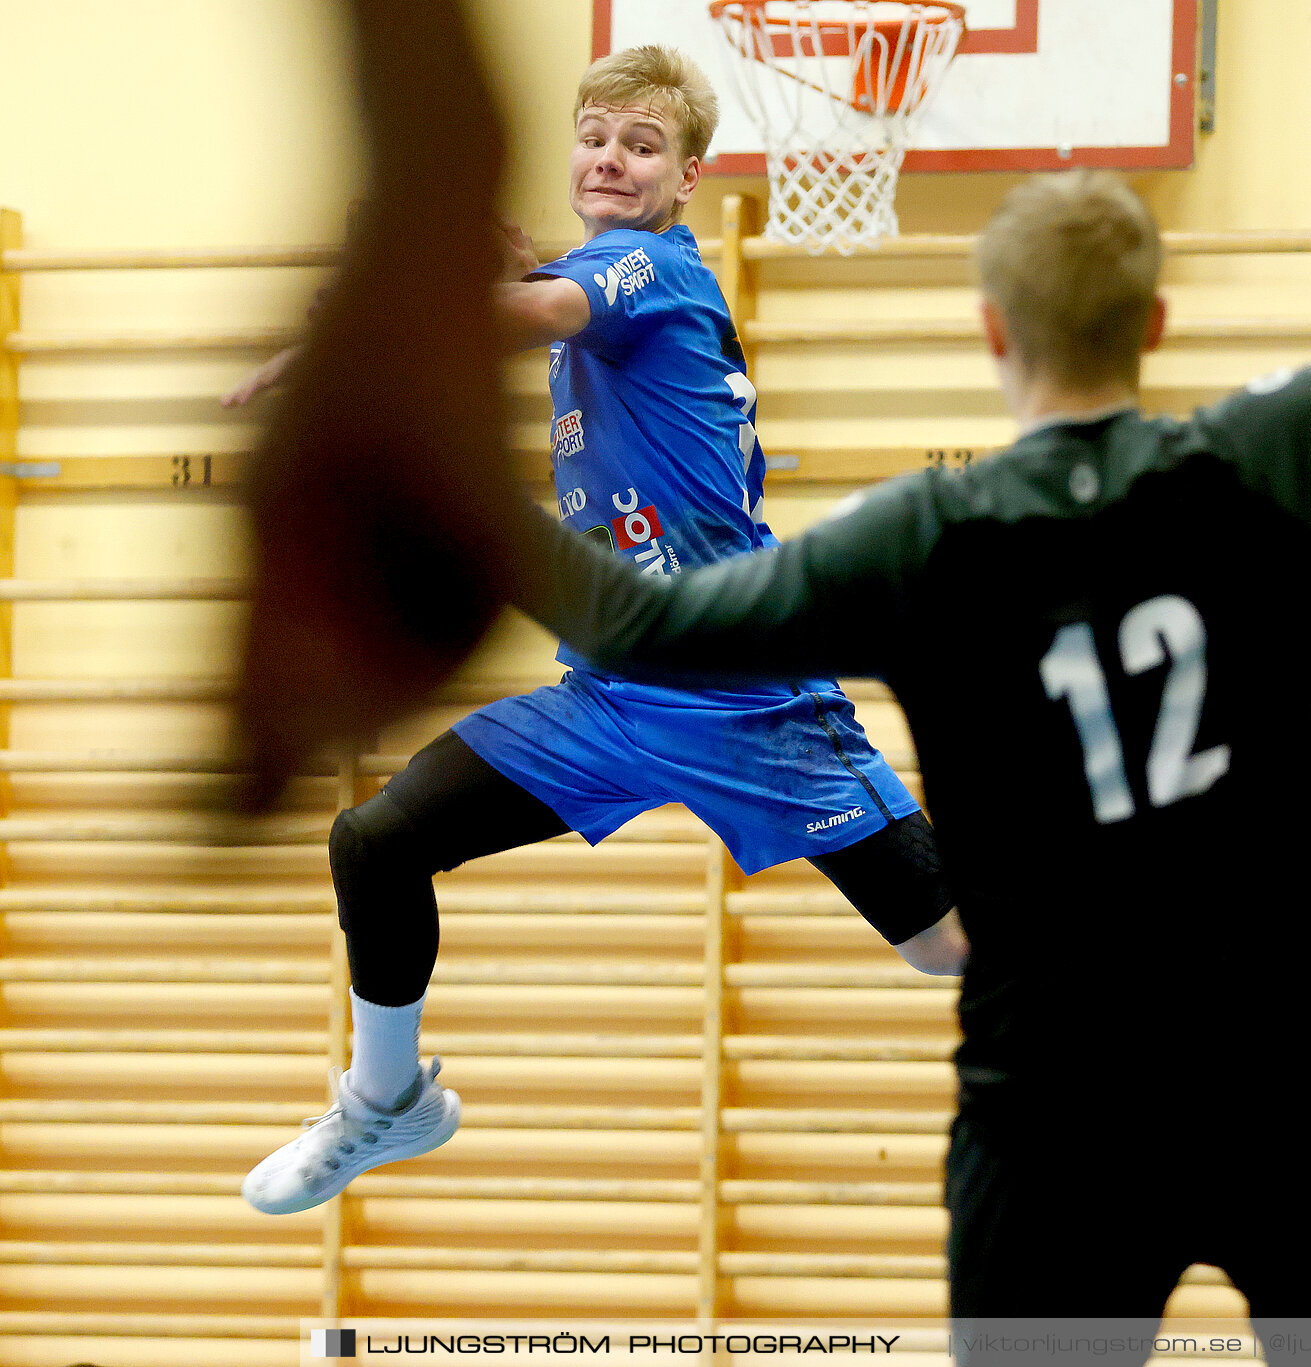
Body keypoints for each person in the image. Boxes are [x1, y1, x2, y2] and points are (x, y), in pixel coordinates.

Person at [497, 2, 1311, 1357]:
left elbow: (636, 623)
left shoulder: (918, 546)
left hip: (1051, 1111)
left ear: (992, 331)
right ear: (1156, 322)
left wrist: (432, 455)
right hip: (1294, 1088)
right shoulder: (1264, 469)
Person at [238, 43, 966, 1219]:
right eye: (595, 138)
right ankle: (386, 1101)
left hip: (747, 698)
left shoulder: (653, 267)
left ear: (686, 177)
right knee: (376, 842)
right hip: (613, 693)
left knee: (950, 946)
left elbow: (543, 309)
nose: (612, 160)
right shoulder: (593, 272)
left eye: (643, 145)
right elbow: (542, 301)